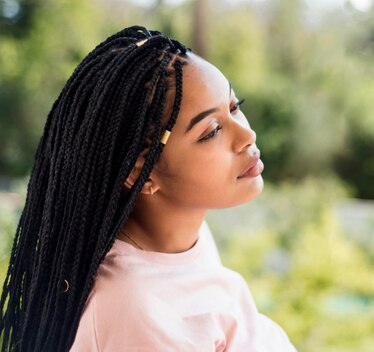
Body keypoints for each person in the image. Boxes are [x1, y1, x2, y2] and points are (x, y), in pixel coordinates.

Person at [0, 26, 297, 351]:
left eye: (235, 105)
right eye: (211, 131)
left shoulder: (181, 236)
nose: (246, 135)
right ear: (141, 169)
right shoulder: (135, 309)